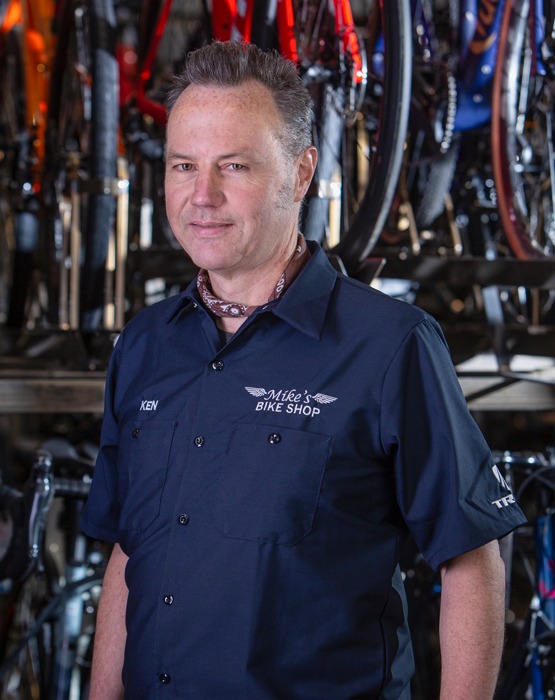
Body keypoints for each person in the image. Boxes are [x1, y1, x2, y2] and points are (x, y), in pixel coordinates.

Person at [81, 40, 526, 700]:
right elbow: (129, 552)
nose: (201, 195)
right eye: (183, 166)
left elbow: (470, 557)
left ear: (300, 173)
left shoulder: (389, 345)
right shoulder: (145, 345)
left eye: (234, 166)